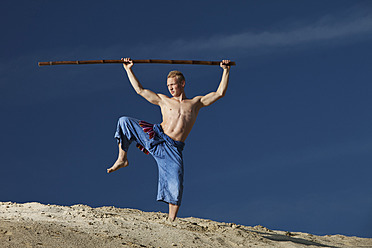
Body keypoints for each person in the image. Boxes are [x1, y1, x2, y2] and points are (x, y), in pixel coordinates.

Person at [107, 58, 231, 221]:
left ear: (183, 83)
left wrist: (225, 70)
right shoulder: (163, 100)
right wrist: (128, 69)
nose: (170, 88)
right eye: (168, 86)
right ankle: (122, 158)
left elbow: (219, 93)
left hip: (173, 149)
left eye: (173, 85)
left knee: (176, 180)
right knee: (124, 121)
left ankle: (171, 220)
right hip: (155, 137)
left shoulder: (195, 103)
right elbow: (140, 90)